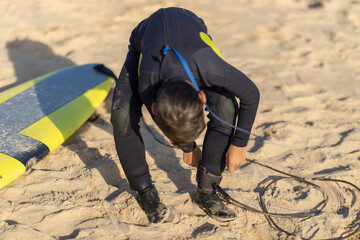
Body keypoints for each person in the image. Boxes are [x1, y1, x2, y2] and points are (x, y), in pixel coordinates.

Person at [111, 7, 260, 223]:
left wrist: (240, 143)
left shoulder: (209, 66)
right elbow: (166, 119)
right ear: (154, 107)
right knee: (121, 117)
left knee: (226, 108)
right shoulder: (147, 84)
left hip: (194, 40)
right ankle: (144, 191)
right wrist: (189, 147)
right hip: (144, 43)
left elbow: (252, 95)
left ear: (201, 96)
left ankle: (207, 190)